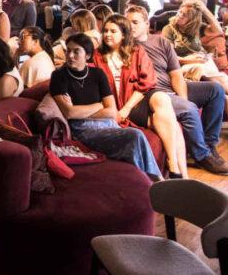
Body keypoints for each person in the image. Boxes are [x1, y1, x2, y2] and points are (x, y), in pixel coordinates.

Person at [126, 5, 228, 174]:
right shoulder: (125, 46)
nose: (131, 26)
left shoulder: (161, 42)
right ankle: (201, 156)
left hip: (171, 87)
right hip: (153, 93)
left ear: (146, 23)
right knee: (189, 109)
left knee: (215, 90)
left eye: (135, 22)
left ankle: (209, 146)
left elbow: (175, 75)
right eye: (128, 22)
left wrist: (183, 98)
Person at [50, 33, 161, 178]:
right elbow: (69, 113)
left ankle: (149, 180)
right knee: (135, 135)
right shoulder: (59, 76)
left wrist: (82, 110)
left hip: (108, 124)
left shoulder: (98, 74)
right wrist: (98, 105)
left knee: (134, 137)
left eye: (76, 51)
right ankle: (152, 180)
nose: (70, 55)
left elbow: (111, 111)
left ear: (87, 55)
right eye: (68, 51)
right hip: (83, 129)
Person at [93, 14, 188, 177]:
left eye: (113, 31)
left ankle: (175, 166)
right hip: (115, 103)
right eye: (106, 31)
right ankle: (181, 176)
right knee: (171, 123)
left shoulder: (137, 51)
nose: (108, 34)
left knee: (162, 99)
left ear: (123, 34)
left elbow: (148, 82)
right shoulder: (96, 55)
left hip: (135, 100)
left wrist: (127, 109)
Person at [162, 0, 228, 95]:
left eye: (184, 15)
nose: (179, 15)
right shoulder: (169, 29)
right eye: (180, 12)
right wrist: (190, 60)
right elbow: (169, 57)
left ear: (192, 20)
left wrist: (204, 10)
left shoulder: (197, 28)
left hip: (203, 61)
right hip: (184, 64)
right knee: (207, 73)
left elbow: (218, 31)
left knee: (222, 83)